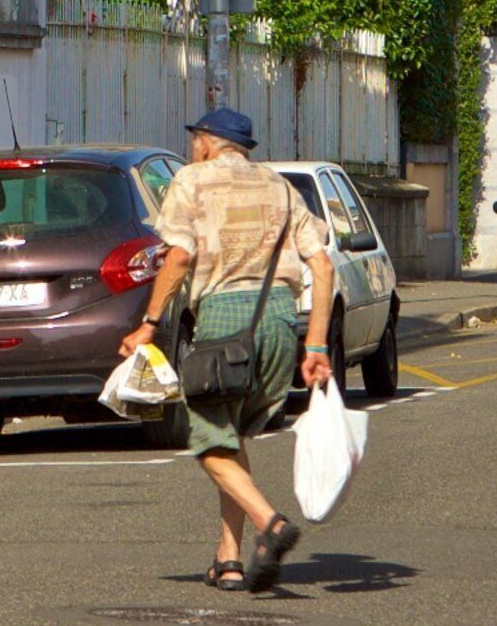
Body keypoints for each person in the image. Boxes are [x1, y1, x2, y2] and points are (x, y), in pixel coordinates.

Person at [118, 107, 335, 594]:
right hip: (280, 319)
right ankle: (230, 559)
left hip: (222, 319)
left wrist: (149, 325)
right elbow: (322, 266)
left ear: (207, 143)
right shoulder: (280, 186)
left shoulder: (192, 181)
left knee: (208, 442)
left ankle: (271, 524)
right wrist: (316, 342)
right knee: (232, 437)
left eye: (196, 139)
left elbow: (178, 256)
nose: (194, 146)